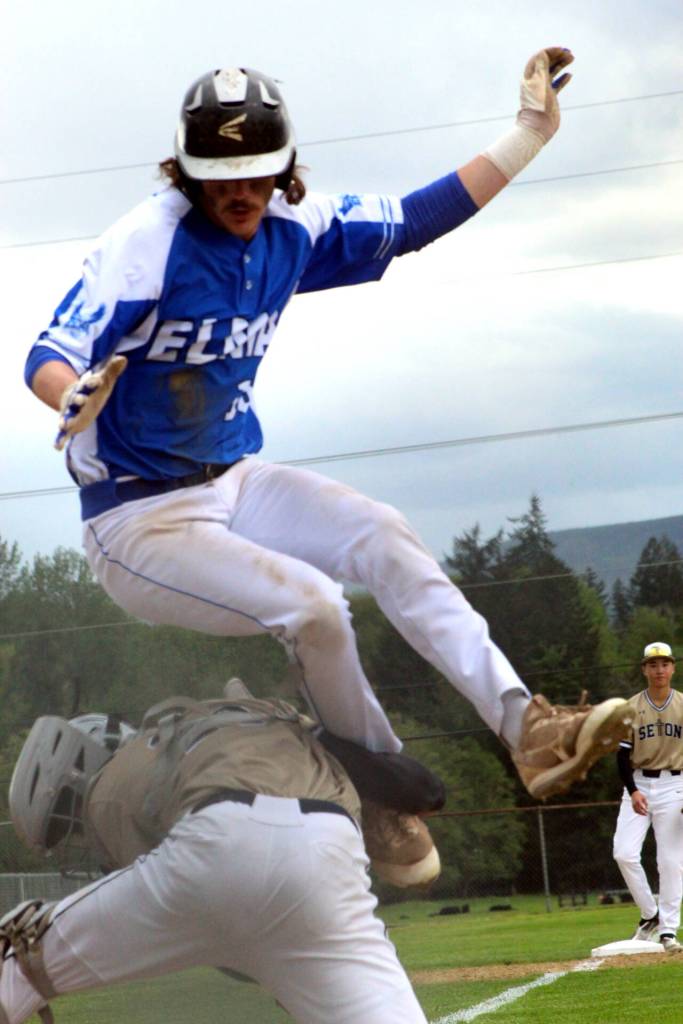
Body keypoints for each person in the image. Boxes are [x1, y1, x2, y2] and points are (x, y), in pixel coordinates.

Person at [24, 50, 631, 803]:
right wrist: (72, 394)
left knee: (380, 531)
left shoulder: (292, 226)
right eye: (220, 175)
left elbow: (413, 219)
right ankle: (378, 783)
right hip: (137, 519)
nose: (241, 191)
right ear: (186, 172)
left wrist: (528, 134)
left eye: (257, 173)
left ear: (282, 169)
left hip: (234, 482)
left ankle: (526, 732)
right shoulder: (147, 243)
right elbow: (49, 354)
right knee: (312, 606)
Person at [1, 681, 447, 1024]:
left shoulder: (106, 790)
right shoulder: (227, 728)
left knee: (18, 959)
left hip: (219, 842)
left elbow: (218, 900)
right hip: (330, 851)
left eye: (65, 819)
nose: (76, 836)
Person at [612, 642, 683, 953]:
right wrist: (633, 790)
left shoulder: (682, 704)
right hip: (639, 783)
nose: (659, 670)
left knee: (670, 862)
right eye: (653, 665)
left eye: (664, 664)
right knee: (624, 852)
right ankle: (650, 914)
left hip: (676, 785)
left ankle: (668, 931)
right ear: (644, 669)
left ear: (673, 668)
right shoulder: (631, 708)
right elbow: (621, 757)